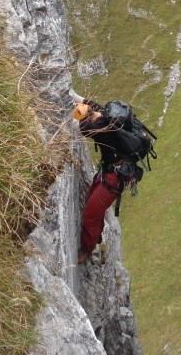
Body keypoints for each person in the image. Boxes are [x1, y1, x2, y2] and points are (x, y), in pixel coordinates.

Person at [73, 97, 131, 265]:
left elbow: (81, 127)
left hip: (114, 178)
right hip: (111, 171)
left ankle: (87, 248)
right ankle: (96, 235)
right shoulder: (105, 115)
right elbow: (91, 106)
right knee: (91, 199)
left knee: (90, 215)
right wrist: (78, 99)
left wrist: (76, 111)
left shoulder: (100, 129)